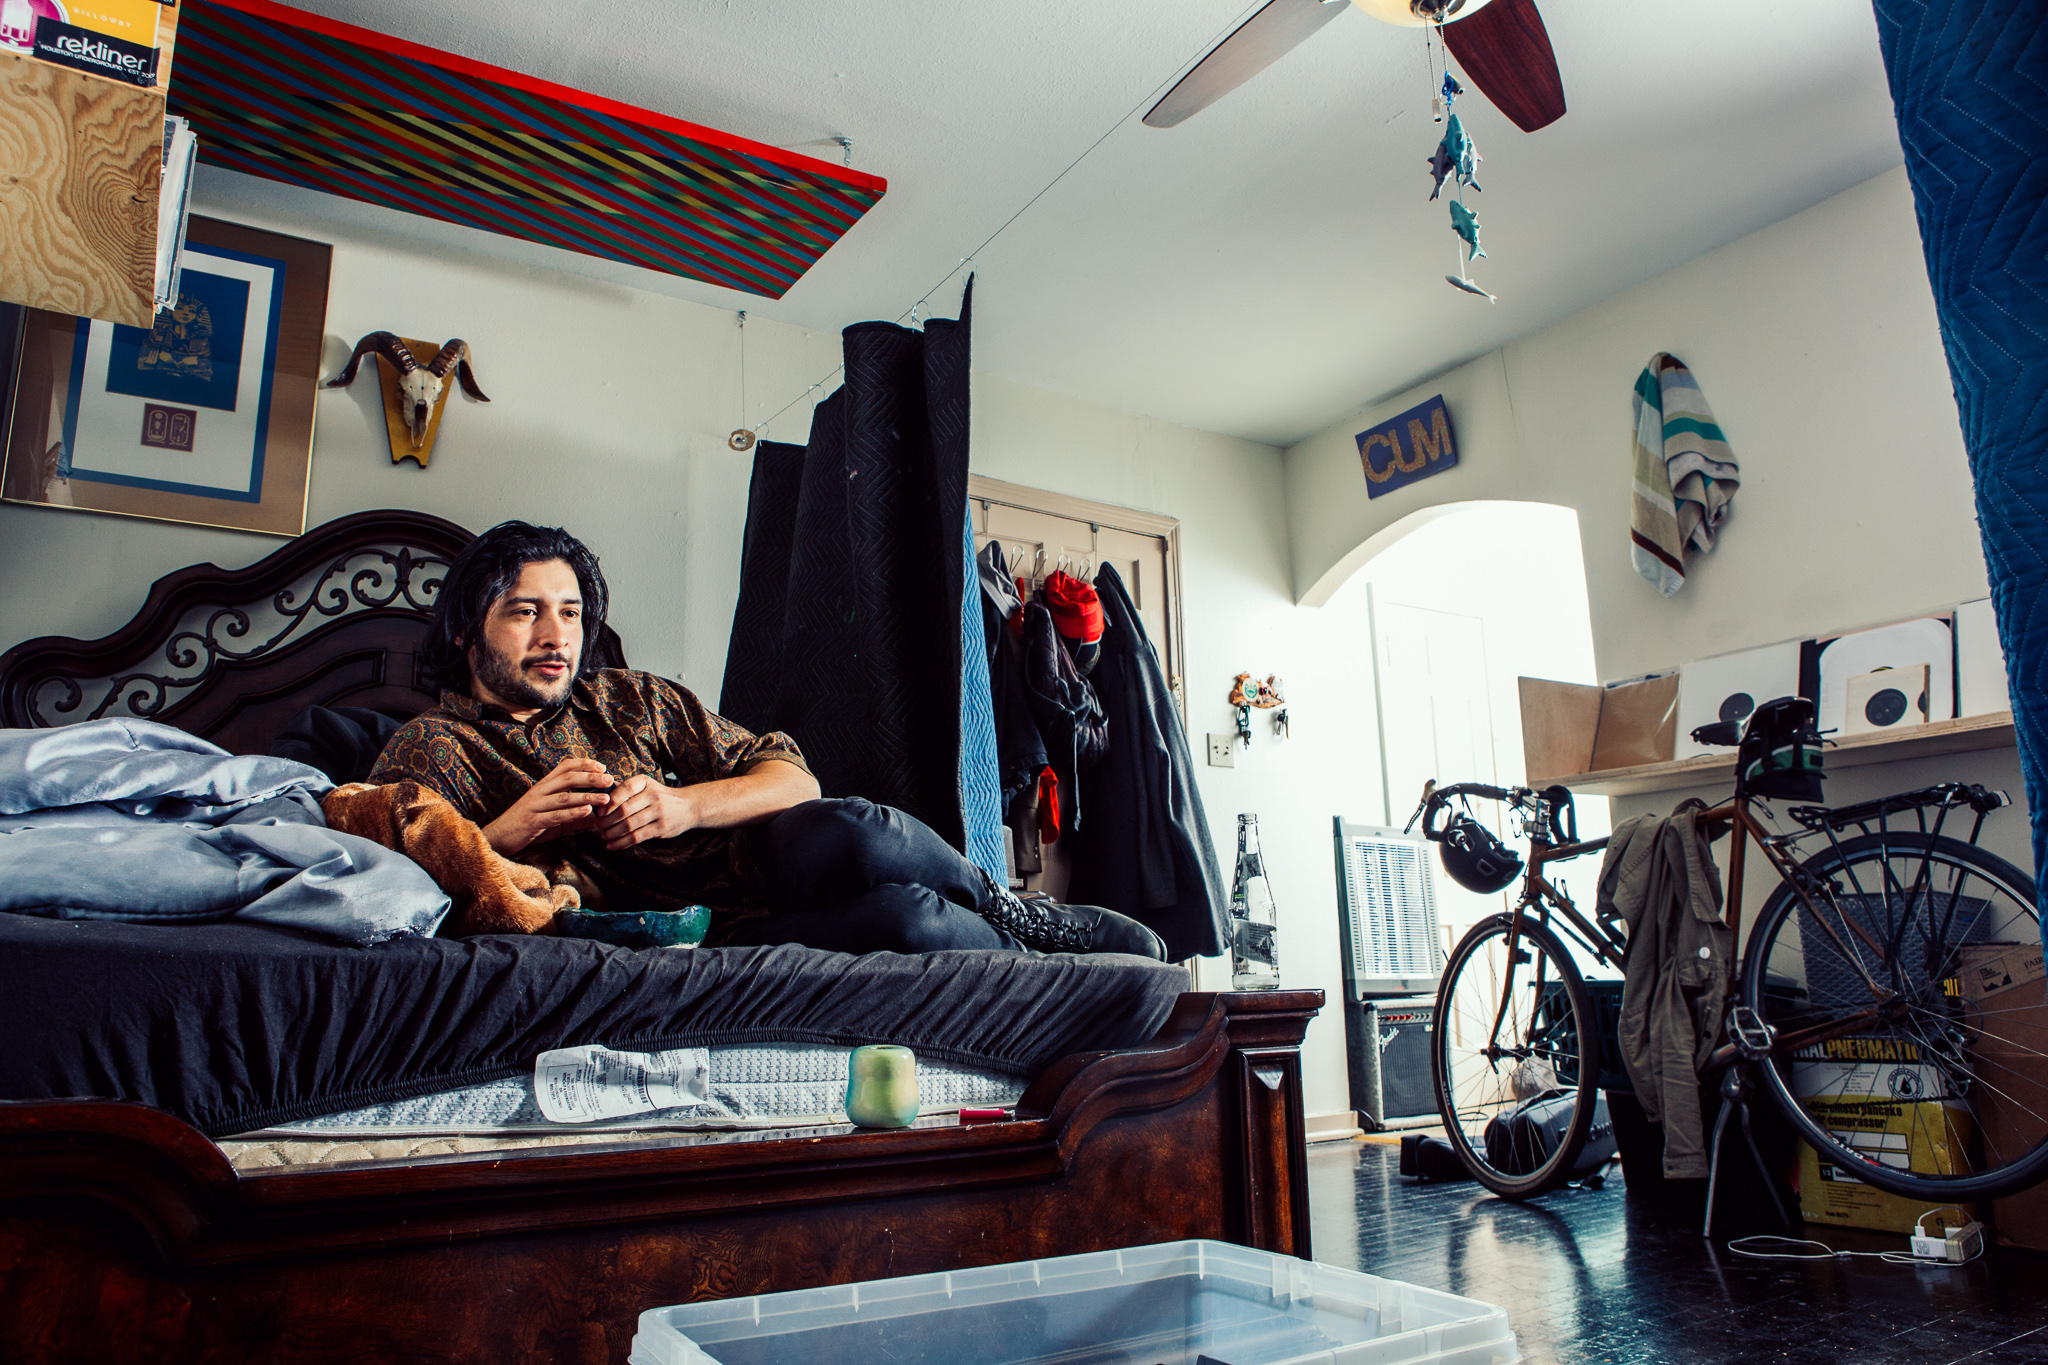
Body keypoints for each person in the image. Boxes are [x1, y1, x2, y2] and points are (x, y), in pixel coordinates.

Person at [368, 521, 1164, 959]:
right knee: (911, 922)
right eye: (524, 610)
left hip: (761, 857)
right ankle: (1030, 963)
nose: (556, 635)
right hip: (710, 931)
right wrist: (515, 832)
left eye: (570, 611)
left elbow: (793, 778)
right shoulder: (429, 751)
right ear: (469, 634)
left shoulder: (630, 696)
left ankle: (1019, 913)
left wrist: (680, 807)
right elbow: (386, 904)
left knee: (851, 824)